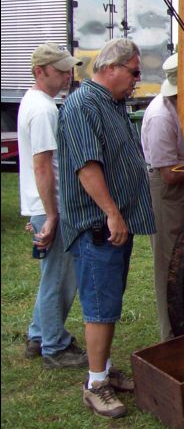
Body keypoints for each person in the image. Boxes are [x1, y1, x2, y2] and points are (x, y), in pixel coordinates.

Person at [57, 38, 156, 418]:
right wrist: (112, 213)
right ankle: (95, 384)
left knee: (108, 302)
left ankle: (104, 369)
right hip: (98, 225)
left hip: (115, 224)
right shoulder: (83, 105)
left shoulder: (111, 104)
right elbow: (87, 167)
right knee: (99, 306)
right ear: (111, 67)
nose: (136, 80)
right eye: (133, 72)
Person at [17, 43, 88, 369]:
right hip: (49, 205)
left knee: (54, 273)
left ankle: (38, 335)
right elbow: (43, 166)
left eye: (67, 69)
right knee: (58, 277)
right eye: (60, 70)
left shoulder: (34, 102)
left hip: (43, 204)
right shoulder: (44, 109)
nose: (66, 76)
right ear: (40, 71)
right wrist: (53, 214)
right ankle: (55, 347)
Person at [141, 53, 184, 341]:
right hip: (168, 191)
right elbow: (169, 174)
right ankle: (170, 337)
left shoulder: (183, 107)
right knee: (167, 264)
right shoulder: (160, 116)